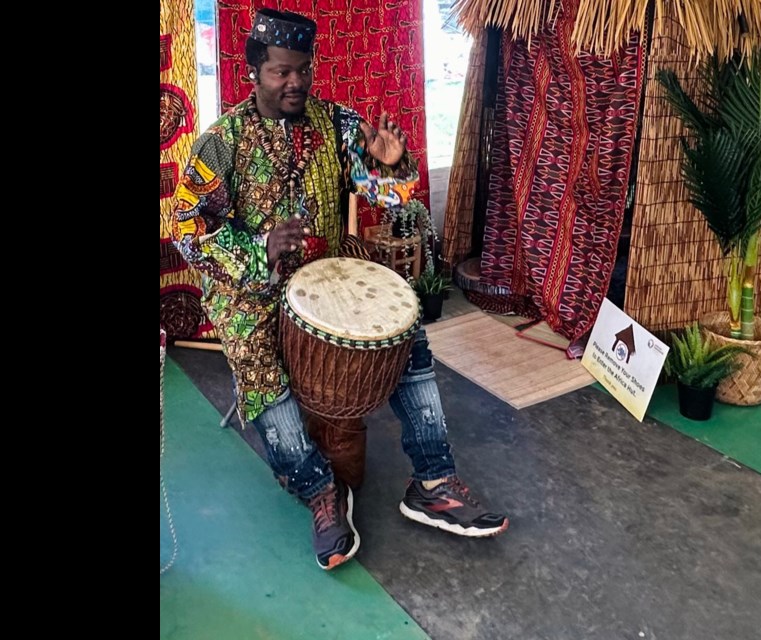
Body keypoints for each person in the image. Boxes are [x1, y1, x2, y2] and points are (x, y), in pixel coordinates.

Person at [170, 8, 508, 571]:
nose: (295, 82)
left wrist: (393, 169)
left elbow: (388, 196)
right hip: (253, 290)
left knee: (407, 338)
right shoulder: (221, 142)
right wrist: (258, 249)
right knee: (259, 370)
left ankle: (434, 480)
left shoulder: (337, 124)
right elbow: (185, 225)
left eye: (303, 69)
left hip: (330, 271)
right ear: (255, 69)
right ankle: (322, 492)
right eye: (281, 71)